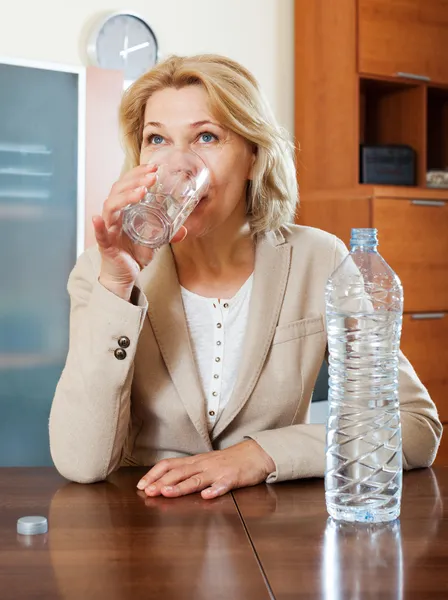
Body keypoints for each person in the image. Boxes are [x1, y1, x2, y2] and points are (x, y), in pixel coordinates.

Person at [49, 54, 442, 499]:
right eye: (157, 139)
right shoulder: (101, 273)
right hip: (143, 529)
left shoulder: (320, 259)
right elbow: (80, 462)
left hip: (275, 531)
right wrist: (117, 288)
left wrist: (263, 454)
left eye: (206, 136)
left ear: (254, 156)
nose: (177, 165)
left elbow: (414, 427)